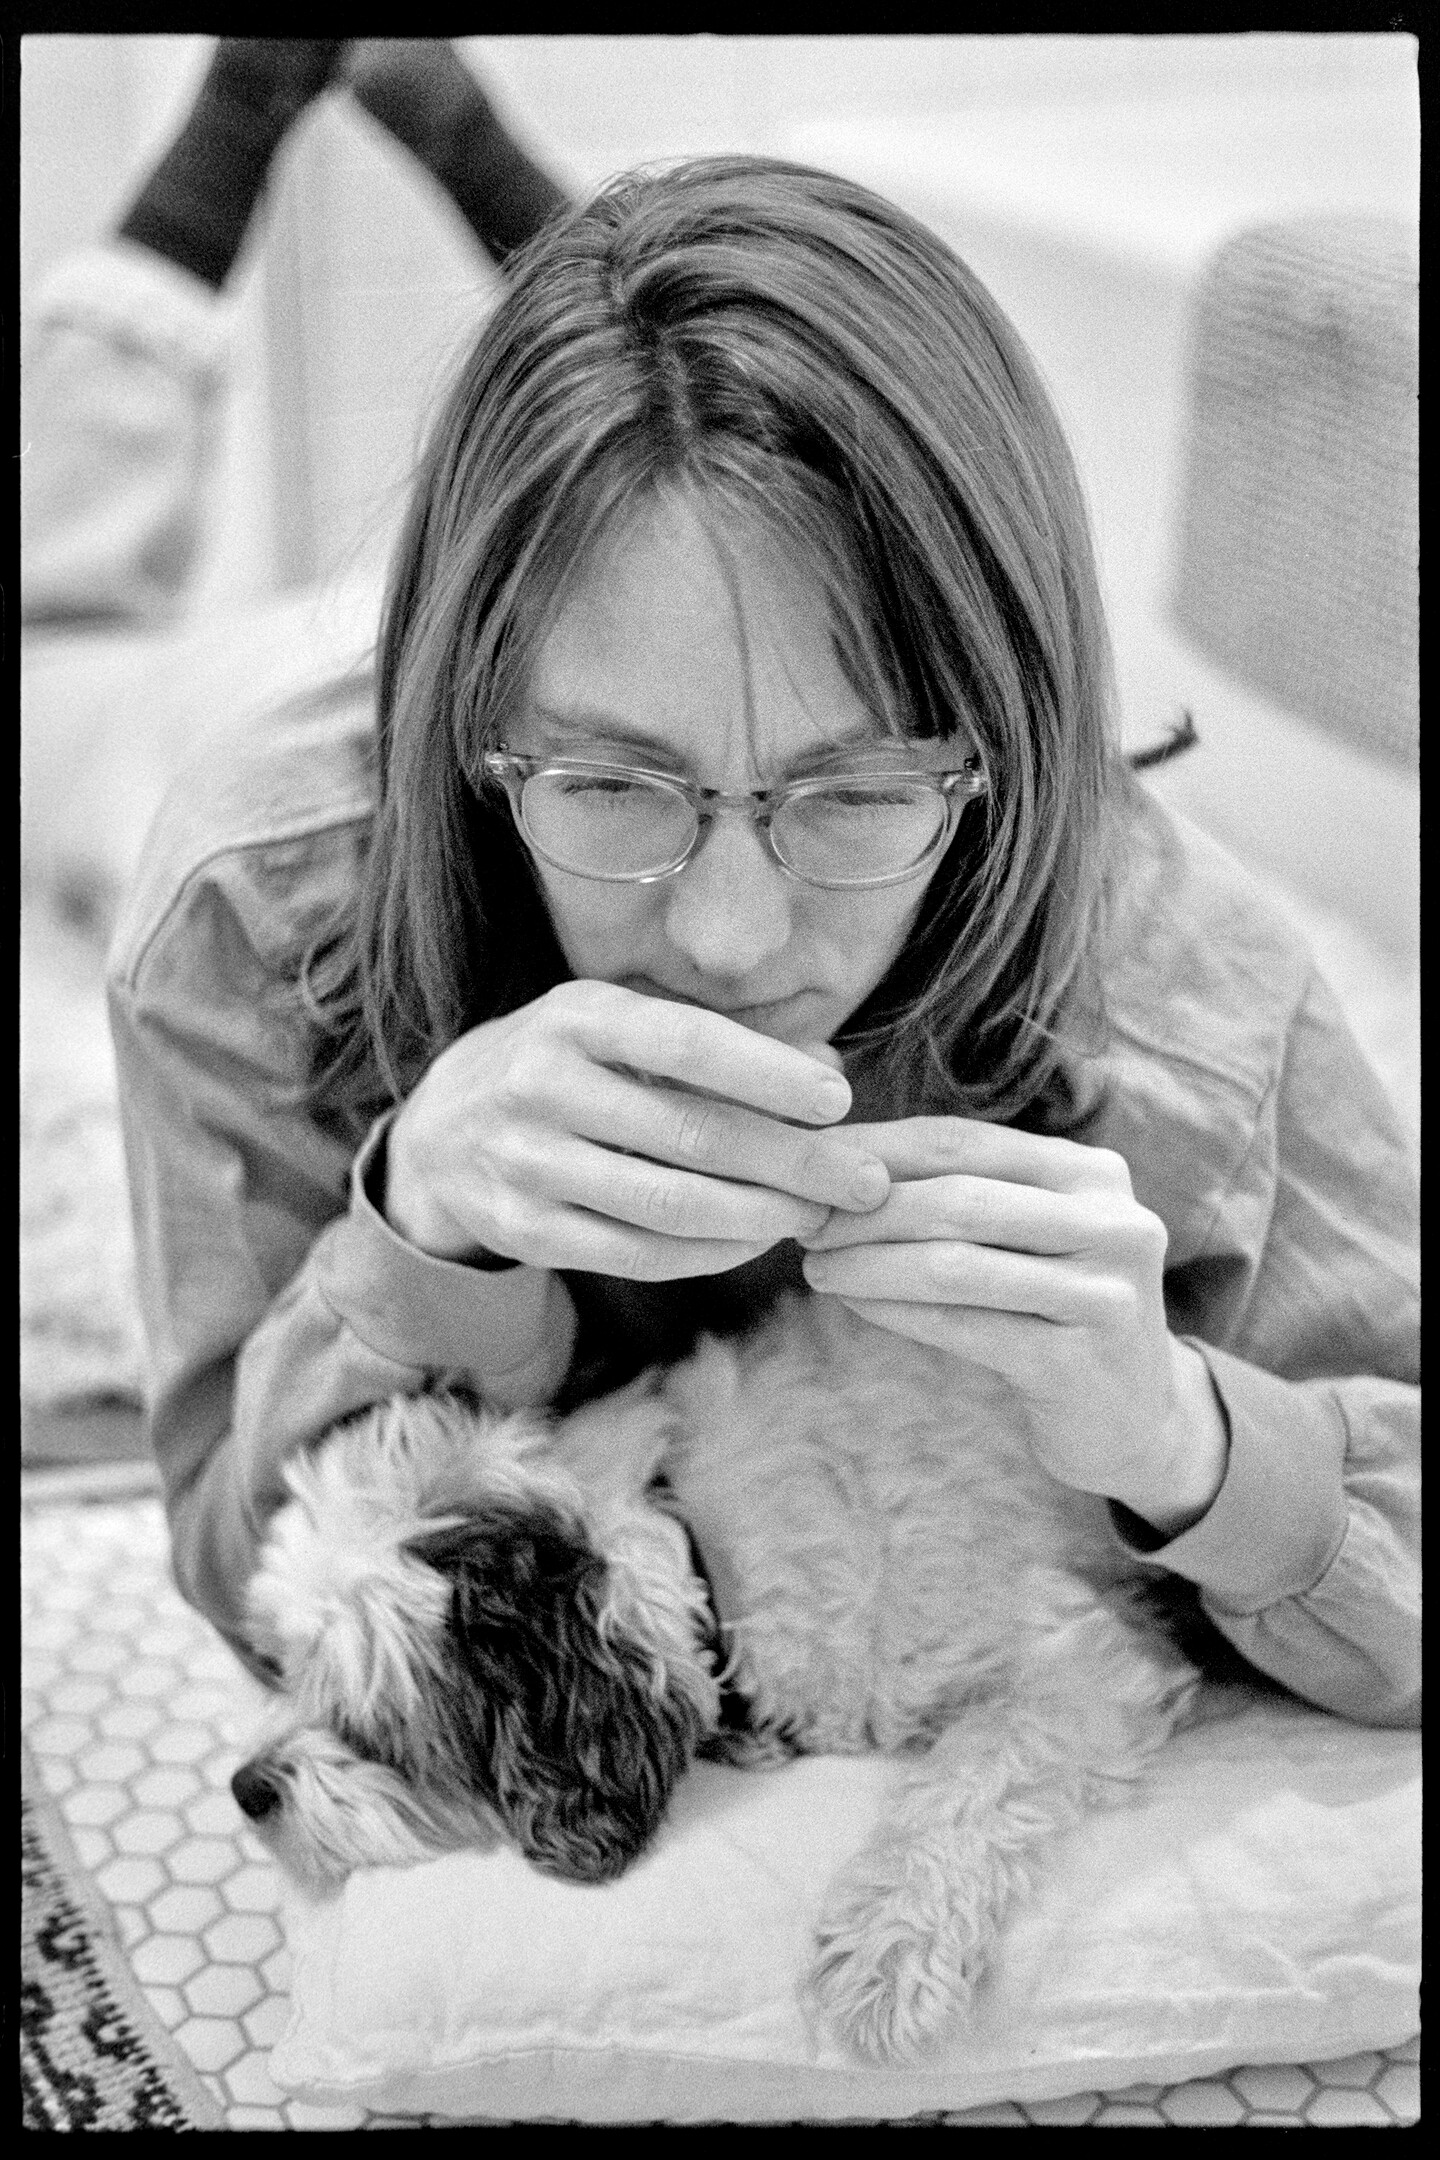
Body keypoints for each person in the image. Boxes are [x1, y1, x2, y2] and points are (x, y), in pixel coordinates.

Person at [66, 78, 1413, 1722]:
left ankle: (487, 161)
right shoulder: (257, 902)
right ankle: (306, 132)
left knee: (677, 444)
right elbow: (245, 1579)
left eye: (856, 794)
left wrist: (1183, 1436)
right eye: (613, 787)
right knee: (66, 620)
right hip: (160, 709)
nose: (730, 938)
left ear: (1006, 741)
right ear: (477, 734)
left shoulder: (1176, 993)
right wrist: (419, 1228)